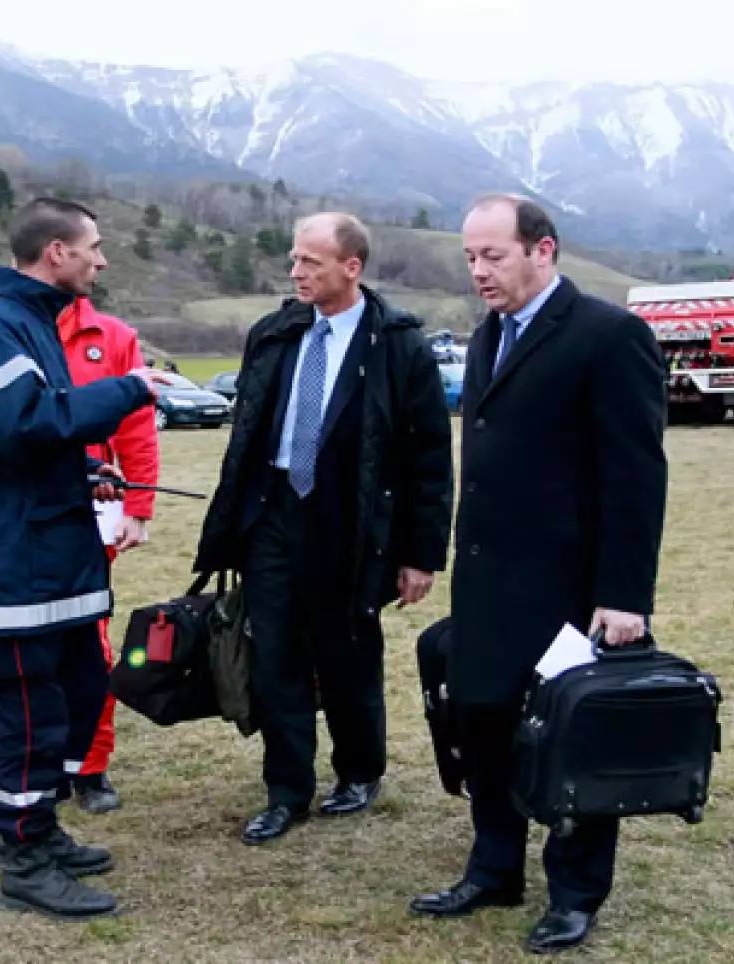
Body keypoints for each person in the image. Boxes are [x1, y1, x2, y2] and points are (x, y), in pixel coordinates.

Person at [408, 195, 666, 955]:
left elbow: (635, 478)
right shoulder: (491, 335)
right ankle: (494, 869)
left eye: (492, 255)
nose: (479, 272)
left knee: (571, 742)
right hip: (490, 586)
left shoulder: (609, 336)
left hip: (571, 593)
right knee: (484, 728)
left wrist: (624, 598)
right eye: (470, 258)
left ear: (543, 250)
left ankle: (576, 893)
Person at [0, 197, 165, 919]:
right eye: (93, 247)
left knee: (76, 690)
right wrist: (131, 389)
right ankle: (24, 858)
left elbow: (22, 443)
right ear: (56, 252)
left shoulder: (27, 322)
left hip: (50, 551)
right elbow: (24, 426)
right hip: (17, 563)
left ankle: (46, 827)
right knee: (30, 710)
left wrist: (84, 471)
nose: (101, 259)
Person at [192, 212, 454, 846]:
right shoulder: (274, 335)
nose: (295, 272)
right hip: (273, 516)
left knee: (348, 656)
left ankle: (360, 770)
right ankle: (286, 790)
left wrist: (420, 555)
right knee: (274, 655)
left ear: (351, 267)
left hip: (352, 522)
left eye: (310, 261)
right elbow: (247, 438)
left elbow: (428, 458)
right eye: (293, 259)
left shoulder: (398, 346)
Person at [0, 294, 160, 817]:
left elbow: (136, 424)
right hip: (13, 524)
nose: (98, 263)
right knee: (8, 655)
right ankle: (14, 771)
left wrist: (138, 506)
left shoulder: (112, 337)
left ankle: (88, 765)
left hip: (88, 521)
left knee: (88, 650)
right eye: (90, 251)